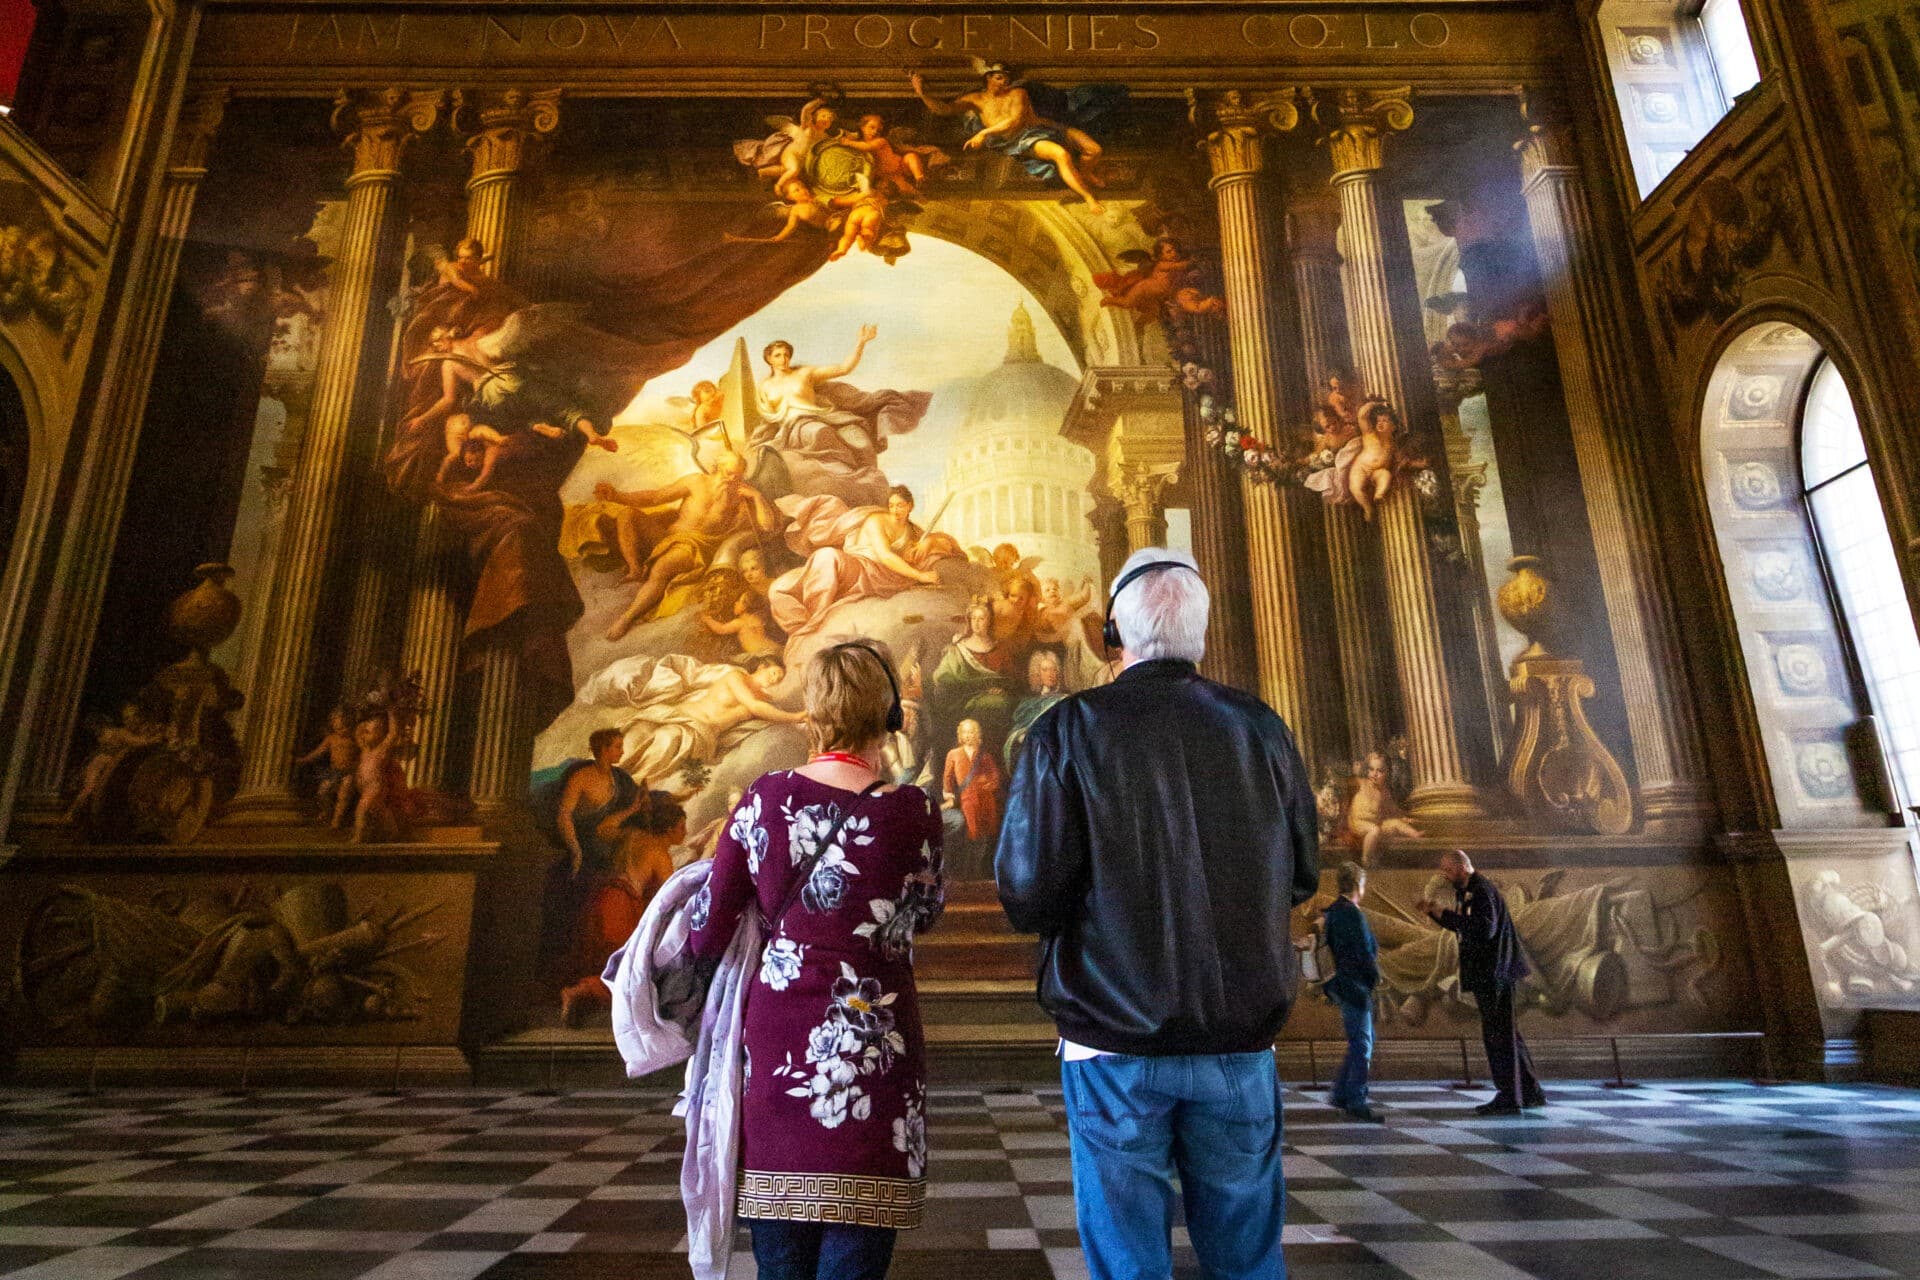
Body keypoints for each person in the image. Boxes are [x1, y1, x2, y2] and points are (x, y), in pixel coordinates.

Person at [996, 547, 1319, 1280]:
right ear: (1200, 635)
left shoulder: (1066, 728)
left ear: (1115, 633)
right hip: (1239, 1033)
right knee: (1246, 1261)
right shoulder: (1261, 727)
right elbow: (1302, 875)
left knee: (1128, 1261)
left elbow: (1027, 893)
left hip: (1113, 1038)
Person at [688, 642, 946, 1280]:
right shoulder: (913, 811)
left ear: (813, 714)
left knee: (780, 1265)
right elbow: (926, 913)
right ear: (887, 715)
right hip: (876, 1047)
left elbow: (705, 933)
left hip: (778, 1049)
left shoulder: (764, 799)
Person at [597, 450, 783, 640]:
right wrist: (616, 496)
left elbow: (768, 526)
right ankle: (635, 569)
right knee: (627, 515)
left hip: (696, 547)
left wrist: (757, 497)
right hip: (668, 537)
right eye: (728, 473)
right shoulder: (696, 482)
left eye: (737, 476)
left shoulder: (741, 500)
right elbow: (655, 497)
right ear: (715, 469)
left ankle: (626, 618)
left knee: (664, 566)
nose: (731, 480)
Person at [1419, 850, 1546, 1116]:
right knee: (1506, 1033)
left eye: (1448, 870)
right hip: (1488, 973)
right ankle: (1530, 1091)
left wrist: (1445, 913)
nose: (1445, 876)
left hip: (1494, 973)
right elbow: (1462, 926)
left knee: (1498, 1036)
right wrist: (1435, 912)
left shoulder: (1482, 891)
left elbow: (1483, 929)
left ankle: (1510, 1097)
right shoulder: (1468, 891)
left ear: (1463, 867)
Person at [559, 791, 686, 1026]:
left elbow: (602, 829)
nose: (685, 832)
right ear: (669, 830)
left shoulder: (633, 836)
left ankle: (582, 995)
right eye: (681, 827)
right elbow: (671, 896)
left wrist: (631, 810)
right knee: (632, 971)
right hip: (622, 908)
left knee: (616, 966)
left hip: (601, 900)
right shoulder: (660, 852)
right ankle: (579, 992)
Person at [1323, 861, 1382, 1123]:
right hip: (1356, 985)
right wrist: (1373, 979)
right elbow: (1363, 952)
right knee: (1362, 1045)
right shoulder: (1351, 913)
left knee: (1359, 1041)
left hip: (1344, 983)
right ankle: (1355, 1099)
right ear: (1359, 884)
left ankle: (1340, 1093)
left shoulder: (1334, 911)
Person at [553, 727, 645, 878]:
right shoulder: (580, 777)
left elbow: (609, 819)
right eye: (618, 747)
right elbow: (564, 815)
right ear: (604, 749)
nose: (622, 752)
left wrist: (633, 808)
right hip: (580, 842)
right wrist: (575, 850)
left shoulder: (618, 777)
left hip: (601, 838)